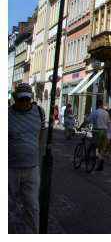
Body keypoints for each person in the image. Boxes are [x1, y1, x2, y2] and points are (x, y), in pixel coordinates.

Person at [8, 83, 46, 234]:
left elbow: (42, 131)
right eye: (21, 99)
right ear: (14, 98)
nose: (24, 103)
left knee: (32, 206)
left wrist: (36, 150)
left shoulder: (39, 112)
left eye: (27, 100)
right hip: (9, 168)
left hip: (31, 168)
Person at [83, 99, 110, 171]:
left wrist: (81, 127)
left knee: (93, 145)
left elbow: (88, 121)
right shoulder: (106, 113)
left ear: (97, 105)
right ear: (101, 105)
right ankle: (100, 164)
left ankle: (88, 157)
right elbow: (108, 123)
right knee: (102, 149)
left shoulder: (95, 112)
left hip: (97, 132)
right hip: (105, 132)